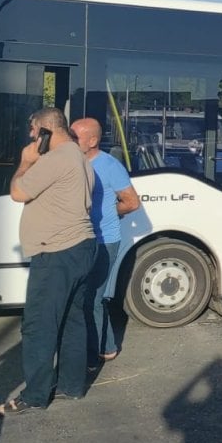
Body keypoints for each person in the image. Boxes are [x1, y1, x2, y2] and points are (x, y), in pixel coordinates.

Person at [0, 108, 97, 416]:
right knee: (72, 319)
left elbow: (17, 192)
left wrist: (25, 162)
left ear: (46, 130)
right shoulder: (79, 157)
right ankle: (71, 385)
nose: (30, 137)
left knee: (40, 325)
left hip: (56, 253)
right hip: (82, 248)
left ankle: (36, 395)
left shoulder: (55, 160)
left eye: (33, 131)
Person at [70, 118, 140, 366]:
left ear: (92, 141)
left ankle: (103, 349)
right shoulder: (72, 162)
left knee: (94, 296)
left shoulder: (110, 166)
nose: (69, 139)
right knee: (87, 296)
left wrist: (108, 212)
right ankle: (103, 345)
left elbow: (132, 202)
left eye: (74, 136)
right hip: (82, 238)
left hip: (105, 240)